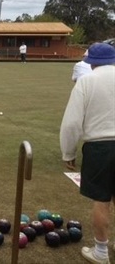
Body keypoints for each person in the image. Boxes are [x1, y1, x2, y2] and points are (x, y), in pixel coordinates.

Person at [60, 42, 115, 264]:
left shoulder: (86, 81)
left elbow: (72, 123)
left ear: (91, 62)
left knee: (102, 200)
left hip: (100, 147)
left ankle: (101, 252)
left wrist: (68, 152)